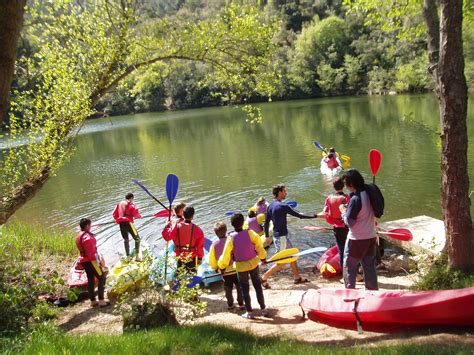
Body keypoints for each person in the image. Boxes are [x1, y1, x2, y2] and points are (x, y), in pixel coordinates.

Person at [261, 184, 317, 288]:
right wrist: (315, 215)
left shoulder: (271, 206)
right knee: (282, 262)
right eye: (284, 191)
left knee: (293, 256)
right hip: (281, 238)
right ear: (280, 192)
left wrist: (267, 236)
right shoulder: (283, 206)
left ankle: (297, 278)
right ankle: (264, 277)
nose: (286, 193)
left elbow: (266, 222)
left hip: (278, 237)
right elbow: (299, 215)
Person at [218, 213, 270, 319]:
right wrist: (263, 258)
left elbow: (226, 255)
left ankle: (250, 312)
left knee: (245, 290)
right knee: (257, 287)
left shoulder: (230, 238)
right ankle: (263, 309)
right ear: (243, 223)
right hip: (253, 264)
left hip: (241, 267)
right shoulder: (251, 233)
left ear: (232, 225)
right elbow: (259, 247)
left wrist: (222, 267)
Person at [339, 169, 378, 290]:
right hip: (371, 236)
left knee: (349, 267)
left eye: (346, 184)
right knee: (369, 267)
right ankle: (372, 294)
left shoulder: (356, 199)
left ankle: (350, 294)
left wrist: (343, 212)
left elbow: (350, 222)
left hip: (356, 239)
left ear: (351, 184)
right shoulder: (369, 192)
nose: (346, 187)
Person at [208, 221, 244, 311]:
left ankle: (230, 304)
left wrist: (216, 267)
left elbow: (211, 260)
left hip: (225, 271)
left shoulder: (214, 244)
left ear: (215, 233)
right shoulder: (231, 240)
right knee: (239, 286)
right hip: (235, 268)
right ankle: (241, 303)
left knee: (228, 288)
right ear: (226, 230)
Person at [75, 218, 109, 307]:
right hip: (91, 261)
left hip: (84, 261)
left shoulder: (79, 236)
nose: (91, 227)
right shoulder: (87, 237)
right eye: (90, 225)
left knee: (90, 279)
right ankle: (101, 300)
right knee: (102, 278)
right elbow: (91, 254)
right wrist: (100, 262)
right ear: (87, 226)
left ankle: (93, 301)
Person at [317, 177, 350, 265]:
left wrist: (315, 215)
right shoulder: (346, 198)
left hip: (336, 228)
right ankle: (354, 270)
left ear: (333, 186)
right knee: (349, 249)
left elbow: (325, 212)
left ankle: (344, 272)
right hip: (346, 227)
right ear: (343, 186)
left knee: (341, 250)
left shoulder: (329, 198)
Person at [163, 206, 205, 273]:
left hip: (180, 257)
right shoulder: (198, 230)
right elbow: (200, 247)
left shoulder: (175, 226)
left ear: (183, 214)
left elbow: (167, 237)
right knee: (192, 276)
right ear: (192, 216)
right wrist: (200, 258)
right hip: (192, 258)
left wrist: (167, 226)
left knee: (180, 275)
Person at [113, 192, 142, 261]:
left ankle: (128, 257)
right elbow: (135, 213)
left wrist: (118, 219)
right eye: (132, 199)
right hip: (128, 223)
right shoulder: (130, 203)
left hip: (121, 223)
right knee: (137, 239)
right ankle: (137, 257)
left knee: (126, 240)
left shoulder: (119, 204)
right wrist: (139, 216)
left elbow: (114, 214)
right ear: (131, 198)